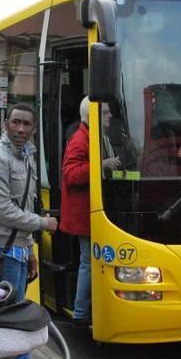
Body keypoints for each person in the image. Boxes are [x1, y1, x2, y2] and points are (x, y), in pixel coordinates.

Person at [0, 103, 57, 302]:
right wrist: (43, 223)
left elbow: (24, 206)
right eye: (16, 122)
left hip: (16, 252)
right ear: (5, 125)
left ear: (34, 128)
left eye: (26, 124)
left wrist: (28, 250)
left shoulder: (26, 156)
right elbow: (4, 211)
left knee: (12, 316)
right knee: (2, 319)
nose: (21, 129)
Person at [61, 97, 120, 328]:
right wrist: (101, 166)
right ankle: (81, 314)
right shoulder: (80, 139)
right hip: (84, 214)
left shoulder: (95, 136)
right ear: (91, 116)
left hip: (91, 212)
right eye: (105, 113)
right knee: (88, 263)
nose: (110, 116)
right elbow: (70, 174)